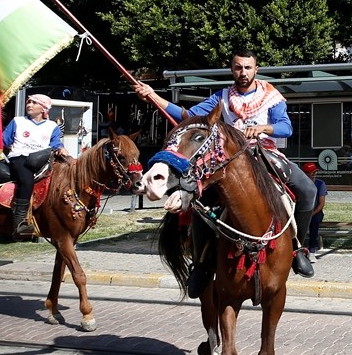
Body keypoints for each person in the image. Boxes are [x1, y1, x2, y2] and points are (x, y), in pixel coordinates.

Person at [134, 50, 318, 291]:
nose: (243, 73)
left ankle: (297, 249)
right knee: (200, 202)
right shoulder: (221, 97)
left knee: (308, 190)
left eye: (248, 68)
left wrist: (263, 128)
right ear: (232, 70)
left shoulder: (271, 96)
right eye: (238, 68)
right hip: (229, 159)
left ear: (256, 69)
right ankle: (201, 263)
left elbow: (286, 127)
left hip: (264, 153)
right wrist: (154, 96)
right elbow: (190, 115)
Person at [3, 94, 70, 238]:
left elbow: (56, 143)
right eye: (28, 102)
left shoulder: (52, 126)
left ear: (44, 108)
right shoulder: (18, 121)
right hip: (20, 157)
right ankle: (19, 222)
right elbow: (4, 140)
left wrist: (61, 148)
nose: (29, 105)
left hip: (43, 159)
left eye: (34, 102)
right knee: (27, 181)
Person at [301, 162, 328, 256]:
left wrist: (312, 213)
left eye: (315, 172)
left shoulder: (320, 184)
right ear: (305, 174)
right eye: (312, 172)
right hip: (303, 212)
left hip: (315, 212)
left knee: (314, 221)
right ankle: (298, 248)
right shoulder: (301, 184)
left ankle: (312, 249)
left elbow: (321, 204)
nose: (314, 174)